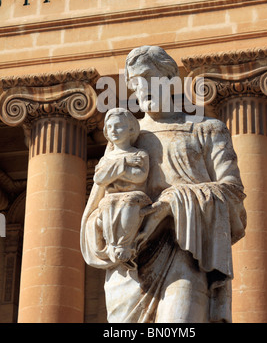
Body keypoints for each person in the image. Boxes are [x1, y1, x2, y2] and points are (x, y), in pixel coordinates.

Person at [81, 46, 247, 323]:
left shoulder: (206, 129)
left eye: (147, 77)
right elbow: (95, 208)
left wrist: (170, 204)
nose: (140, 88)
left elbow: (233, 195)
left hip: (186, 253)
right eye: (134, 83)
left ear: (171, 79)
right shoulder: (124, 141)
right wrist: (109, 223)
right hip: (130, 266)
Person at [83, 107, 151, 270]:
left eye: (119, 126)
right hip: (110, 201)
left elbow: (139, 176)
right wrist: (125, 163)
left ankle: (124, 246)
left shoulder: (141, 154)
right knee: (107, 204)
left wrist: (112, 173)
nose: (114, 131)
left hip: (135, 198)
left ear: (131, 129)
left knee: (128, 203)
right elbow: (99, 178)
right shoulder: (109, 158)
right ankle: (113, 246)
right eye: (110, 127)